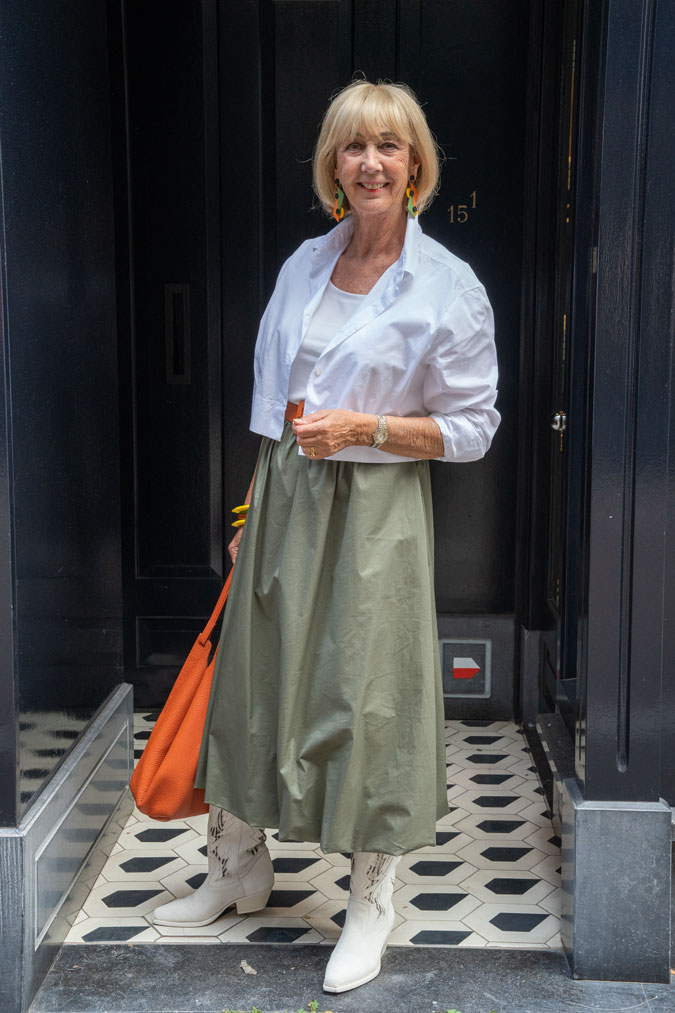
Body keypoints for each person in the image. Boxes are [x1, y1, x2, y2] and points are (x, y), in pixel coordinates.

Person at [150, 79, 500, 994]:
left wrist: (367, 428)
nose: (370, 162)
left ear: (414, 164)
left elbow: (471, 428)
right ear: (332, 166)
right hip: (284, 496)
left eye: (388, 146)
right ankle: (238, 866)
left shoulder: (447, 287)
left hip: (377, 514)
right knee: (251, 680)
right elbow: (276, 407)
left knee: (364, 696)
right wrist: (248, 511)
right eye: (352, 147)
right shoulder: (305, 264)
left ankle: (372, 899)